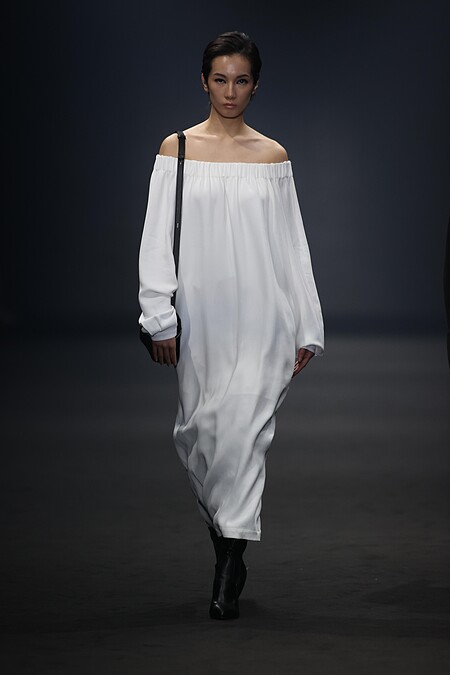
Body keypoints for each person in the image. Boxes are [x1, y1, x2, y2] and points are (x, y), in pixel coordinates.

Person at [137, 30, 324, 620]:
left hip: (264, 315)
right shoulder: (177, 150)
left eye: (241, 80)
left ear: (255, 86)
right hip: (202, 319)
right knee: (202, 436)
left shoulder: (273, 157)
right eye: (220, 79)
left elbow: (292, 246)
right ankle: (230, 547)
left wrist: (307, 324)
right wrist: (158, 316)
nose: (229, 91)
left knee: (243, 433)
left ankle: (227, 568)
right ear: (203, 81)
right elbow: (156, 239)